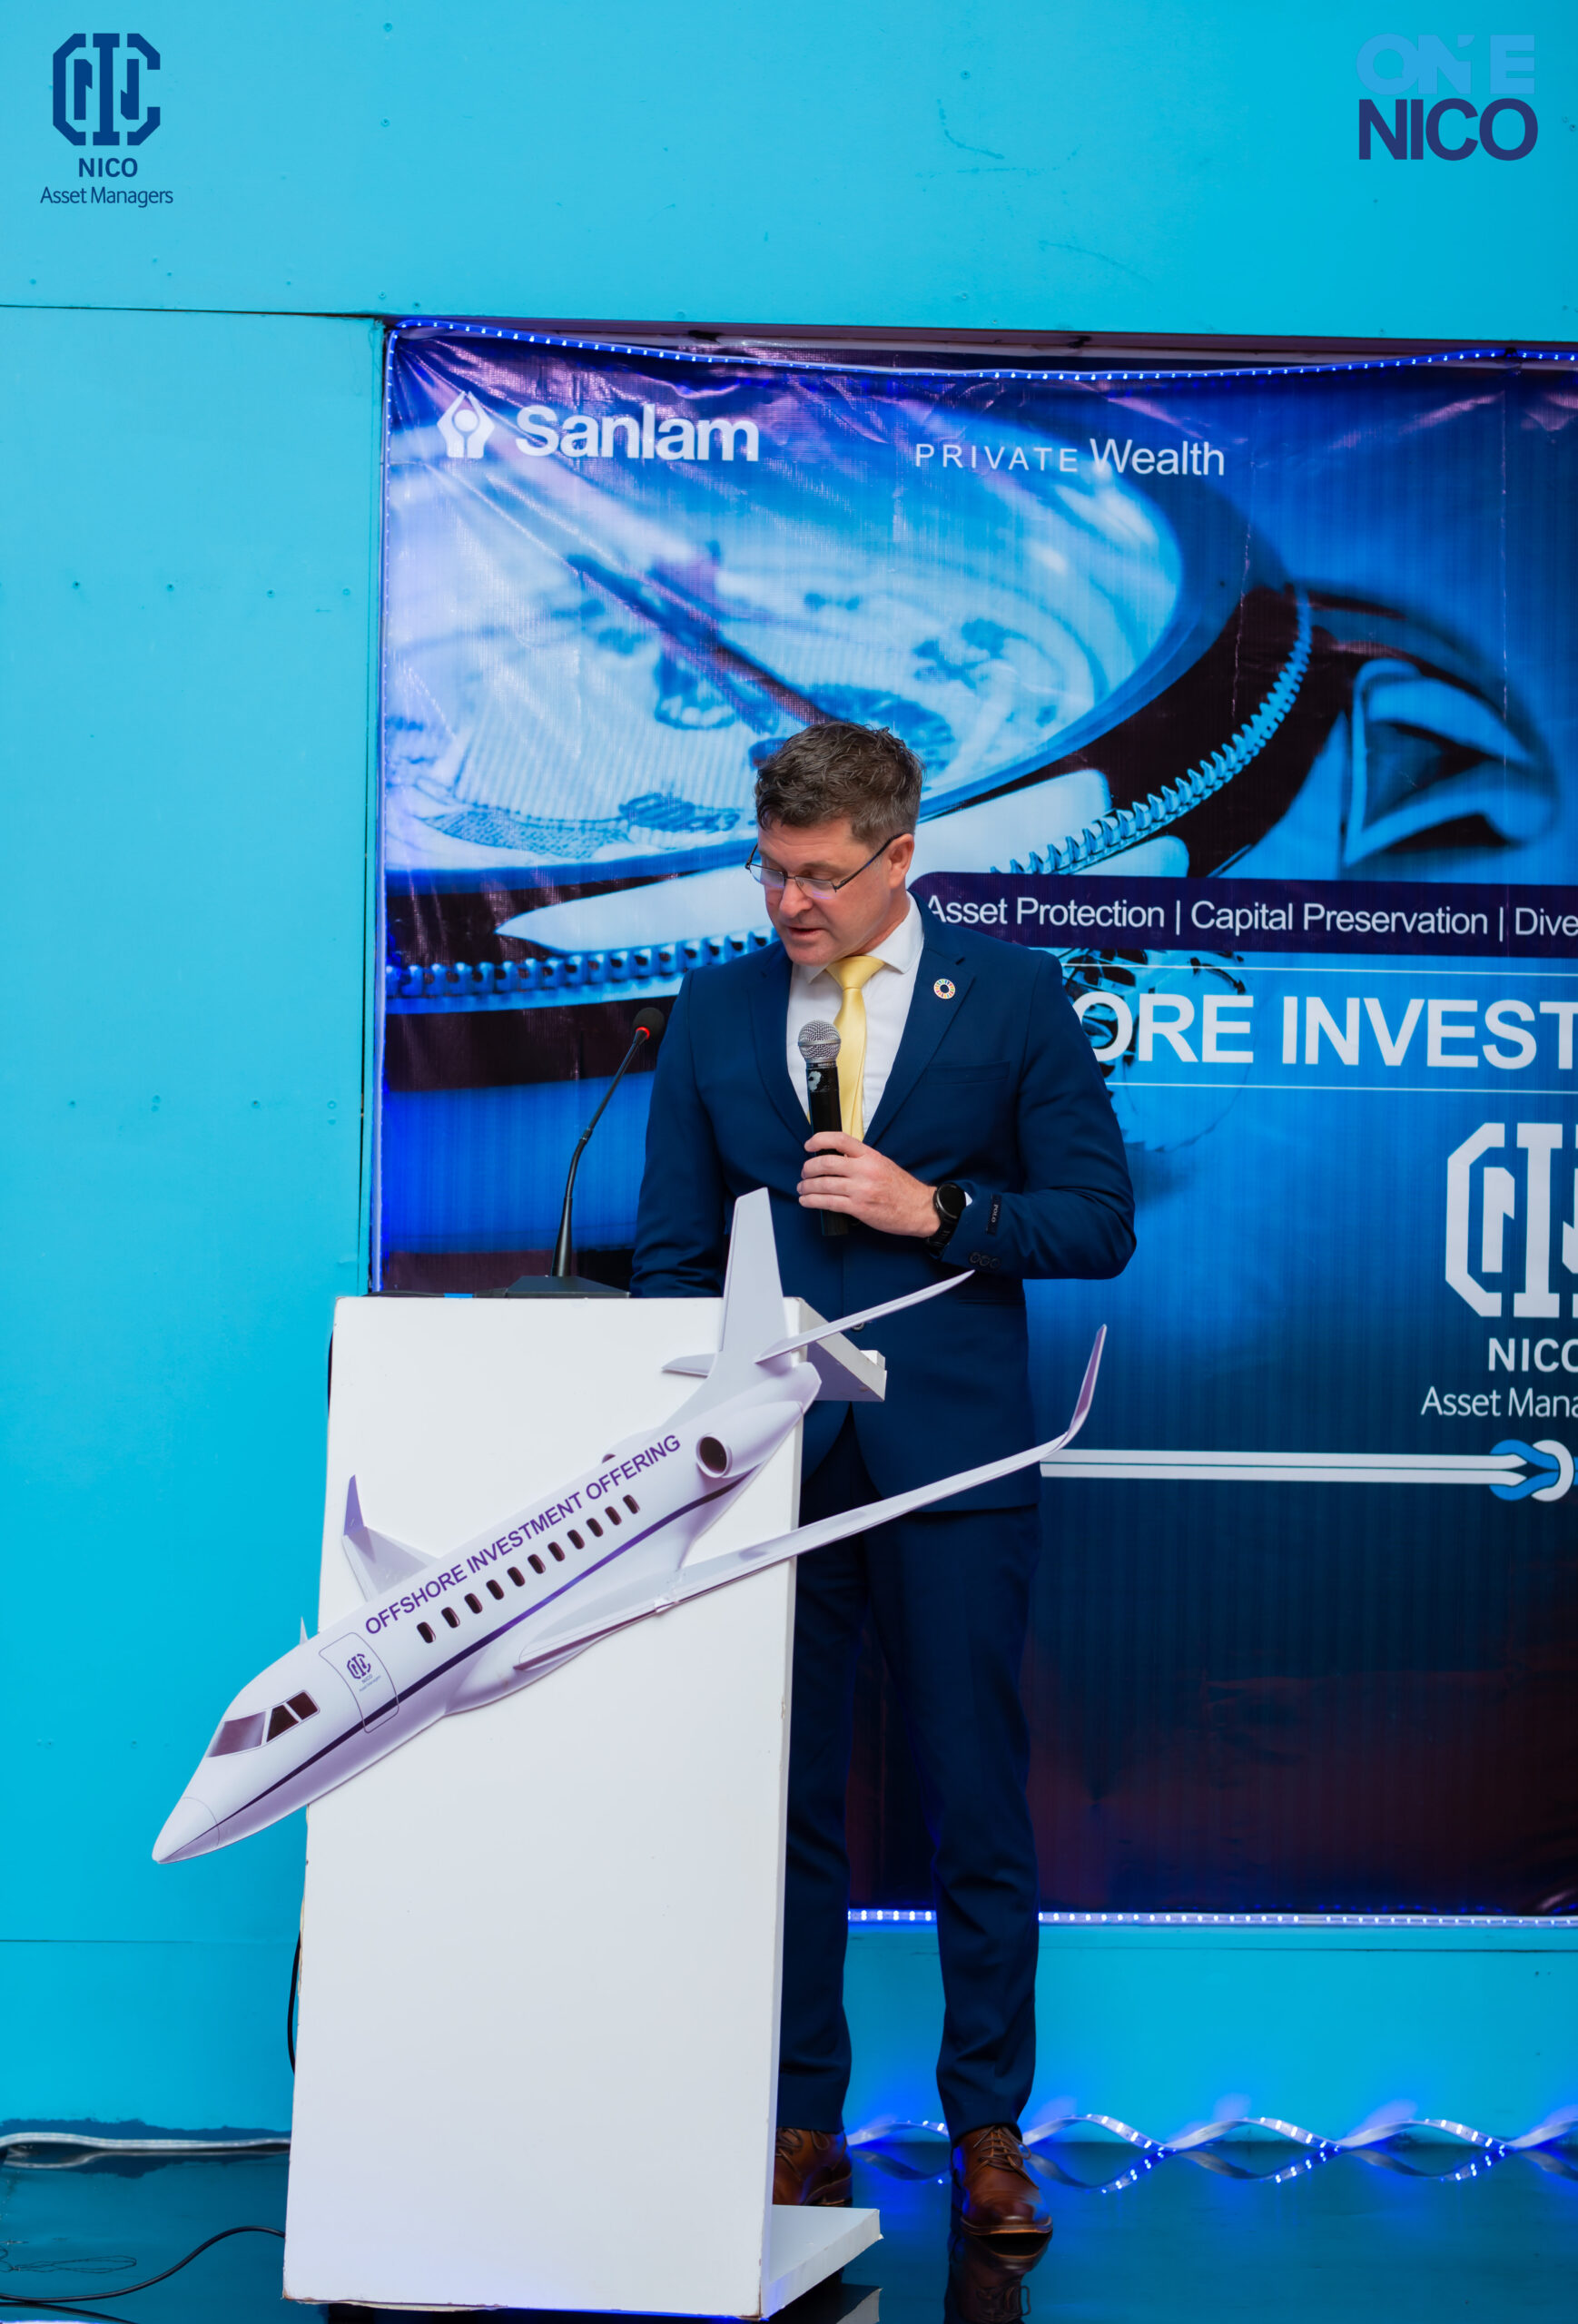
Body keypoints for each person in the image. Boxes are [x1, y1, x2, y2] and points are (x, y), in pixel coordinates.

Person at [630, 723, 1135, 2239]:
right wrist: (703, 1424)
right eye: (769, 873)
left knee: (973, 1800)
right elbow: (671, 1256)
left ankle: (988, 2130)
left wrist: (941, 1210)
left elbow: (1095, 1221)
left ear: (900, 855)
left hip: (951, 1470)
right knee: (780, 1807)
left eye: (821, 877)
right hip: (770, 1478)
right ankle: (800, 2120)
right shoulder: (714, 1009)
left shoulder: (1017, 994)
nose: (789, 904)